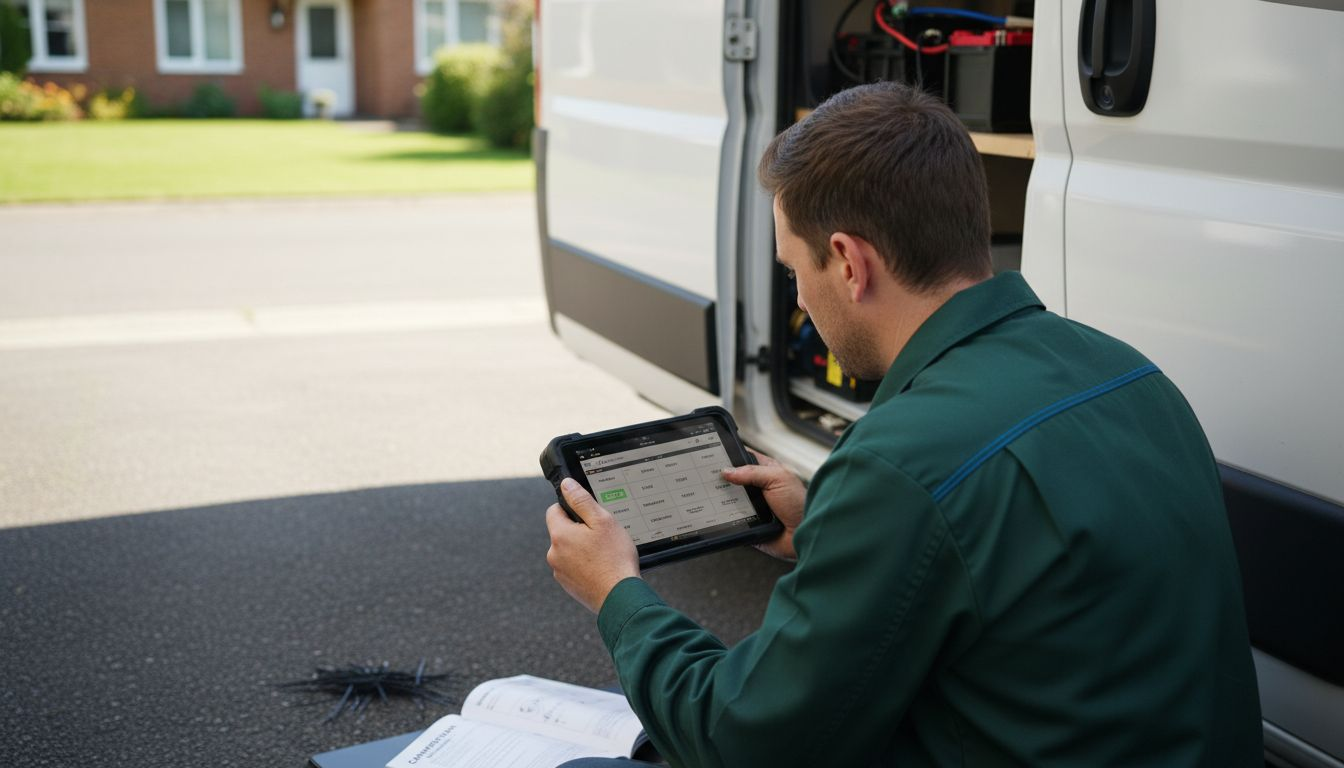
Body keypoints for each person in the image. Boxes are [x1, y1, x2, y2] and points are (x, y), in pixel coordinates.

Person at [544, 81, 1262, 767]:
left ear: (850, 263)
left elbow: (745, 740)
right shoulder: (1129, 373)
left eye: (795, 270)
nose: (799, 302)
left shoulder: (900, 466)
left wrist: (617, 594)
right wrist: (826, 527)